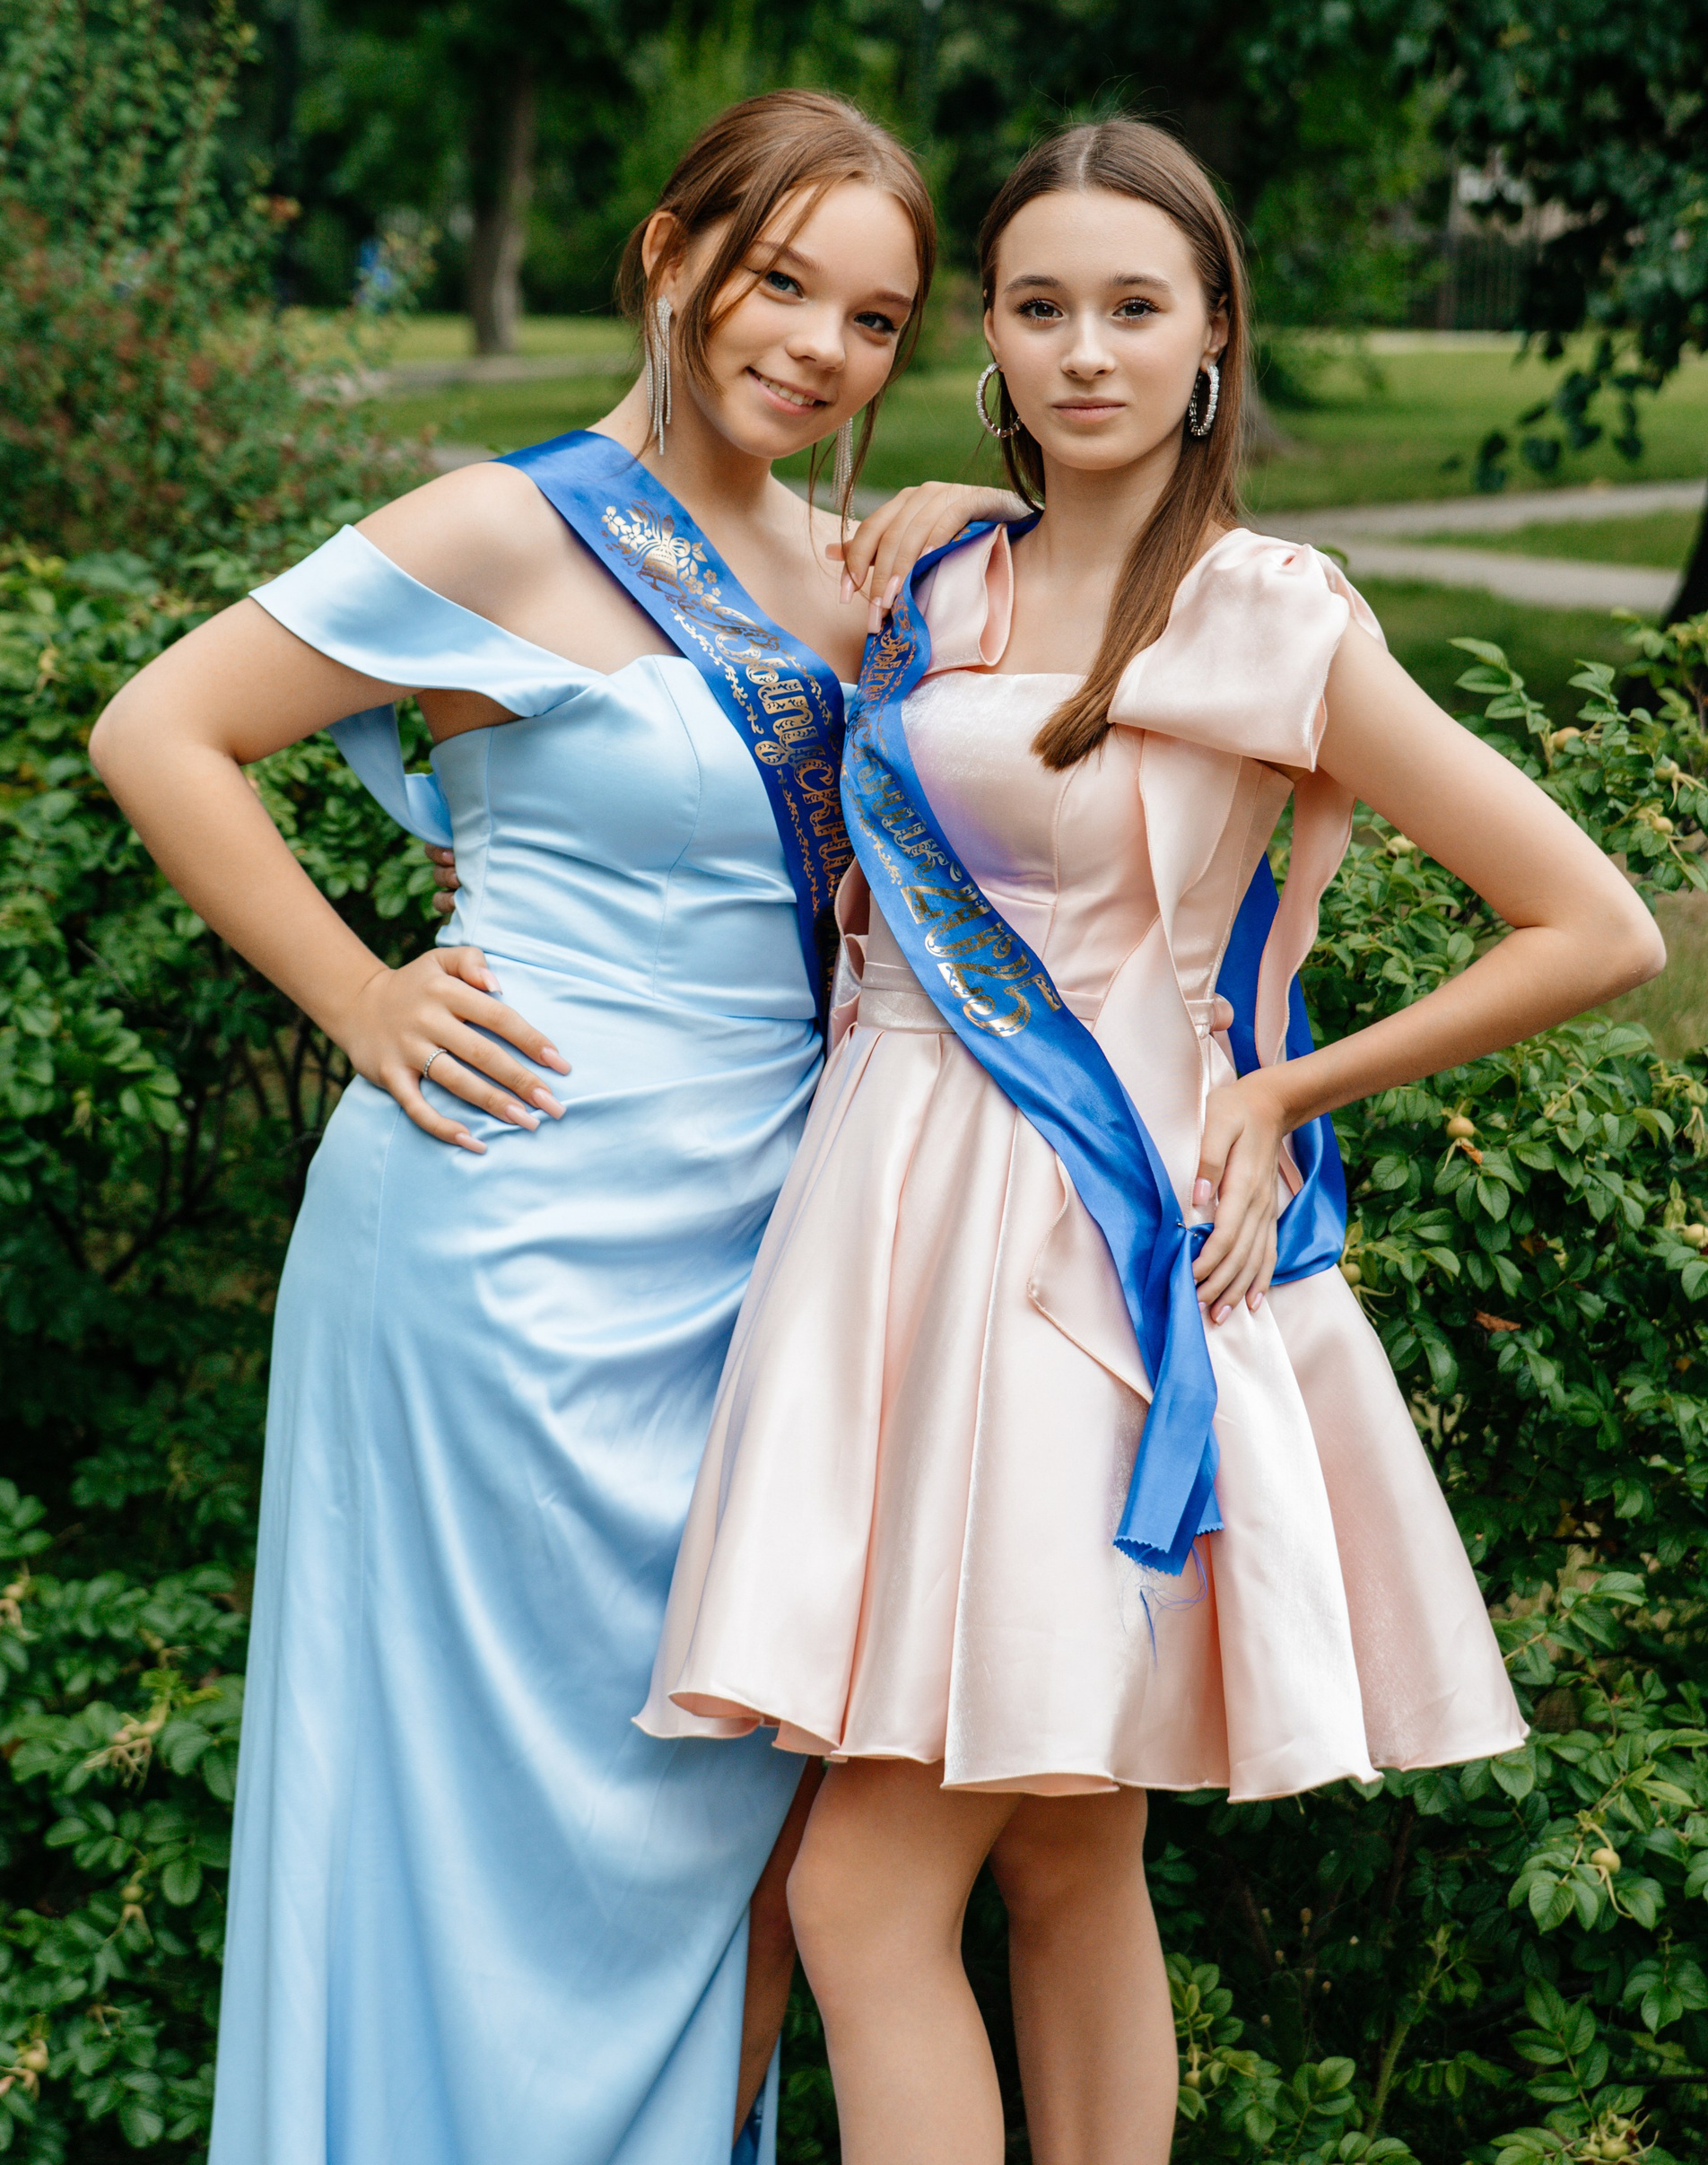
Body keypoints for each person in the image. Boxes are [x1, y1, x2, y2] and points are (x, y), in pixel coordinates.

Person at [637, 118, 1666, 2164]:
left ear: (1211, 339)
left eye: (1133, 307)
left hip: (1079, 1263)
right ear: (990, 342)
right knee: (1065, 1851)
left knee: (861, 1895)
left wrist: (1282, 1089)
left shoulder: (1267, 616)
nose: (1084, 351)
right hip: (883, 1228)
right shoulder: (933, 574)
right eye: (1039, 308)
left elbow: (1595, 927)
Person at [88, 90, 1015, 2165]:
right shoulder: (507, 529)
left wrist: (975, 512)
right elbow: (161, 728)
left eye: (875, 319)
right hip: (498, 1263)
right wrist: (359, 995)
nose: (822, 346)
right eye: (781, 281)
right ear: (674, 254)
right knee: (465, 1829)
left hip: (766, 1273)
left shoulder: (861, 571)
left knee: (722, 1836)